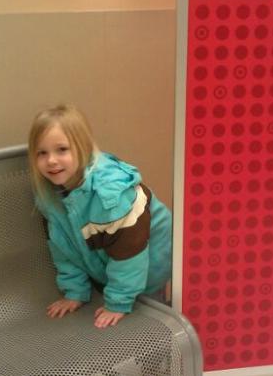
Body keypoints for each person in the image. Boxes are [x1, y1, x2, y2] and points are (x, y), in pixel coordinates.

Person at [27, 104, 172, 328]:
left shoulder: (111, 195)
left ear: (82, 148)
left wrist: (118, 303)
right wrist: (75, 292)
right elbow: (65, 250)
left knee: (153, 324)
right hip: (114, 269)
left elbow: (129, 255)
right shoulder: (50, 198)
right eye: (42, 153)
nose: (51, 160)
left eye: (62, 150)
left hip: (151, 266)